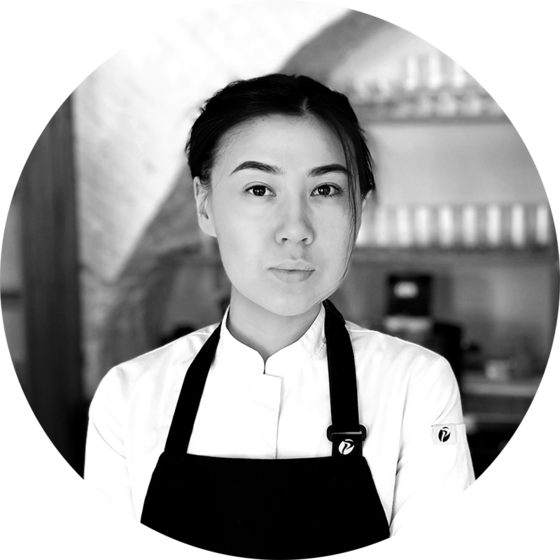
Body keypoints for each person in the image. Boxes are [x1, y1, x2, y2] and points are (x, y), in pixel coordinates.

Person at [84, 74, 475, 550]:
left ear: (359, 209)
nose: (295, 229)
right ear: (205, 206)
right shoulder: (129, 397)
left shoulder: (417, 385)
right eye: (259, 189)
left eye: (325, 190)